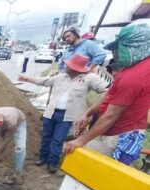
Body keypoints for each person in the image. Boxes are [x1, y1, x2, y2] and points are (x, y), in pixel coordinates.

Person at [64, 20, 150, 165]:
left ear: (134, 47)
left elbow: (112, 115)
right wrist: (88, 114)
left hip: (117, 135)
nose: (114, 54)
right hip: (111, 130)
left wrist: (82, 140)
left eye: (118, 48)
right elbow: (109, 95)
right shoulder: (133, 67)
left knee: (90, 169)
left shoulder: (134, 78)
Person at [19, 54, 109, 173]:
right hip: (51, 113)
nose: (67, 67)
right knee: (46, 137)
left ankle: (53, 162)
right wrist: (27, 79)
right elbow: (44, 81)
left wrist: (97, 106)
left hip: (67, 116)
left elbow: (108, 89)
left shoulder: (89, 78)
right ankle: (43, 158)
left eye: (69, 66)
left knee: (58, 139)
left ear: (76, 69)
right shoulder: (61, 77)